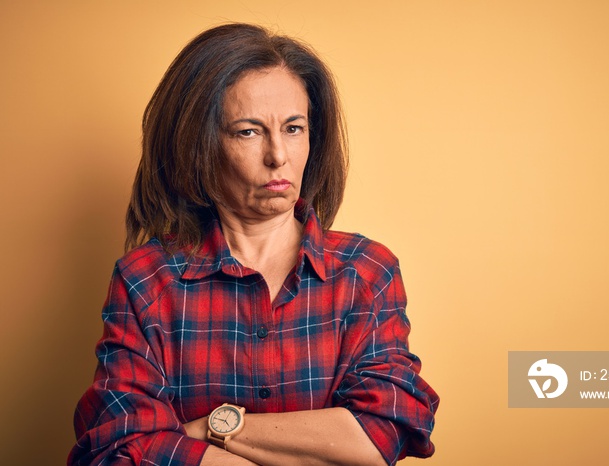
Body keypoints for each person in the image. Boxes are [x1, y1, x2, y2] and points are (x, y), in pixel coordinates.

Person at [68, 23, 438, 466]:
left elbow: (382, 433)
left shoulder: (366, 271)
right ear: (198, 146)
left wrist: (214, 427)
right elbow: (117, 450)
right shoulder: (145, 281)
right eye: (248, 131)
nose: (278, 155)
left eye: (294, 128)